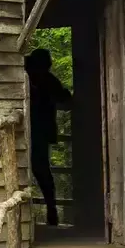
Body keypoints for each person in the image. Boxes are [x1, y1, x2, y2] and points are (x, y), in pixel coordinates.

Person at [25, 48, 71, 226]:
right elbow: (64, 98)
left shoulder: (38, 78)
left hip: (38, 132)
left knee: (41, 172)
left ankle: (50, 211)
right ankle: (51, 211)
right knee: (43, 173)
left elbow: (63, 98)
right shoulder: (46, 79)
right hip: (40, 132)